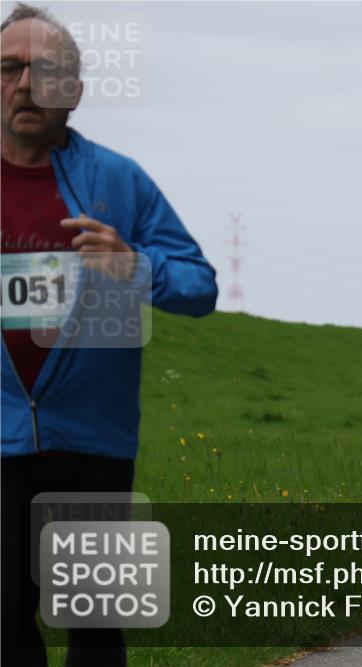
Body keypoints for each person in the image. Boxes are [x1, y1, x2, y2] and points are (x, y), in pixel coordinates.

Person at [1, 5, 218, 666]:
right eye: (11, 68)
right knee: (5, 621)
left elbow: (199, 286)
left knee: (93, 627)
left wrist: (135, 266)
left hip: (95, 440)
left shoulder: (118, 180)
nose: (27, 84)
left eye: (48, 71)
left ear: (74, 89)